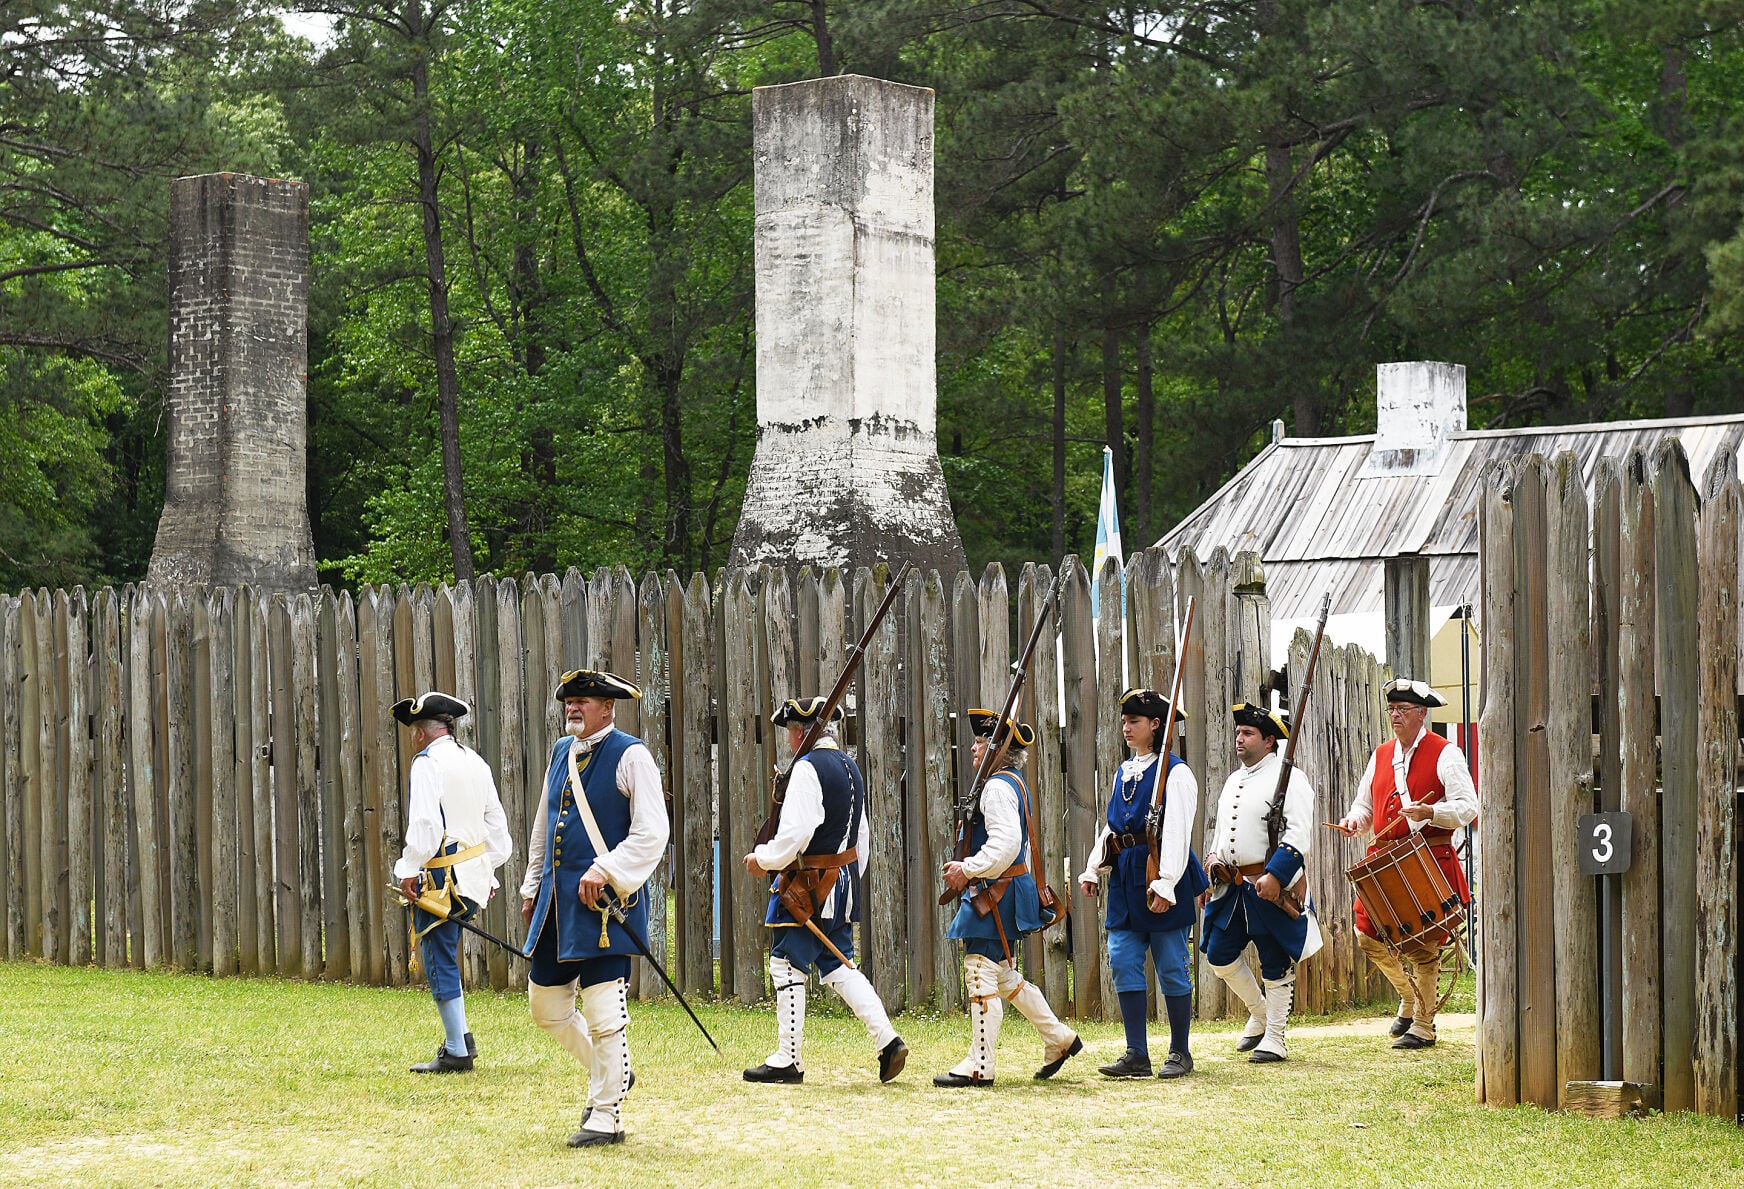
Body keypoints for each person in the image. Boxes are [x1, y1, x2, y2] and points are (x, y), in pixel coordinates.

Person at [520, 669, 669, 1147]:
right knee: (546, 1006)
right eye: (569, 700)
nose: (573, 707)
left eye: (583, 699)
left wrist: (607, 868)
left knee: (605, 1012)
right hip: (556, 907)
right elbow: (544, 826)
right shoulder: (562, 753)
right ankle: (614, 1073)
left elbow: (652, 832)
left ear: (608, 707)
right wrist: (530, 886)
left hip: (606, 905)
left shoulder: (632, 755)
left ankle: (606, 1114)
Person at [741, 697, 907, 1084]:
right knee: (840, 967)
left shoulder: (807, 768)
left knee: (785, 963)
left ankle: (789, 1059)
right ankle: (888, 1039)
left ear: (800, 732)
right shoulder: (851, 768)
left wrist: (762, 859)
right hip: (842, 881)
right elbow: (860, 837)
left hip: (809, 885)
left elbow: (795, 834)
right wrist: (847, 877)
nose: (788, 740)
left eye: (790, 732)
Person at [935, 709, 1081, 1087]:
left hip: (995, 891)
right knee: (1004, 976)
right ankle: (1059, 1038)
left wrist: (966, 869)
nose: (972, 747)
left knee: (980, 972)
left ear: (998, 748)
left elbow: (1004, 845)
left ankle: (980, 1064)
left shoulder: (997, 786)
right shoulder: (1008, 781)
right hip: (1004, 890)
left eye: (981, 742)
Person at [1334, 677, 1477, 1050]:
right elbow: (1365, 804)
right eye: (1392, 709)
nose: (1395, 716)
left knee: (1424, 945)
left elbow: (1468, 806)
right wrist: (1355, 821)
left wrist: (1431, 811)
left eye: (1403, 710)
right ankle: (1410, 997)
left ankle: (1424, 1026)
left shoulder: (1446, 752)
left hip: (1427, 857)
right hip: (1384, 861)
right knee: (1366, 933)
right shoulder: (1382, 754)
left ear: (1422, 714)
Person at [1078, 688, 1207, 1079]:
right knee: (1122, 960)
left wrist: (1167, 883)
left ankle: (1180, 1052)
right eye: (1124, 721)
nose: (1126, 728)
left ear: (1156, 725)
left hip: (1161, 874)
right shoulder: (1125, 771)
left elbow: (1178, 832)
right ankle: (1136, 1054)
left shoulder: (1176, 773)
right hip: (1125, 878)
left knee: (1170, 964)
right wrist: (1092, 867)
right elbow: (1114, 826)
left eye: (1134, 722)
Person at [390, 691, 512, 1074]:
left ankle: (458, 1049)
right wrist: (488, 869)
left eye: (413, 732)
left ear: (421, 733)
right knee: (443, 953)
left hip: (442, 879)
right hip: (472, 876)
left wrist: (407, 868)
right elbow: (498, 829)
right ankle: (460, 1040)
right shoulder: (474, 760)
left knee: (438, 956)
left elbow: (425, 826)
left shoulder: (426, 762)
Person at [1201, 700, 1321, 1063]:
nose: (1239, 739)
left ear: (1269, 741)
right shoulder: (1234, 779)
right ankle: (1260, 1013)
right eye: (1238, 732)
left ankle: (1276, 1038)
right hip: (1233, 887)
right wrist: (1213, 858)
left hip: (1269, 885)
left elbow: (1299, 832)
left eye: (1248, 733)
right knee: (1219, 955)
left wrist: (1276, 875)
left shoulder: (1291, 779)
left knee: (1274, 958)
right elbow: (1223, 829)